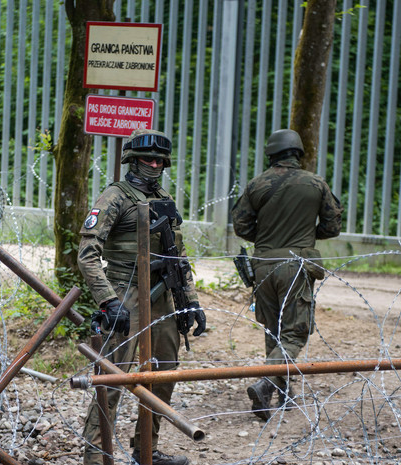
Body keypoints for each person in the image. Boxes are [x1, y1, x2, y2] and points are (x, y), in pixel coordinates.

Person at [77, 128, 206, 465]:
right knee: (113, 377)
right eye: (147, 158)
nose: (154, 163)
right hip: (126, 291)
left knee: (163, 372)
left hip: (163, 294)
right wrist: (108, 299)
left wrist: (190, 300)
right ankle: (95, 453)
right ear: (131, 160)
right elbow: (87, 253)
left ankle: (145, 449)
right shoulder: (115, 196)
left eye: (160, 159)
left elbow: (178, 255)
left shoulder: (164, 197)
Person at [231, 129, 342, 421]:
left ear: (271, 154)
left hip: (263, 265)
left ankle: (282, 392)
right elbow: (332, 226)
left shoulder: (257, 184)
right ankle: (268, 382)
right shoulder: (315, 183)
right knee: (296, 331)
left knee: (274, 328)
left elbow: (241, 226)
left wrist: (268, 236)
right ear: (298, 154)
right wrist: (305, 234)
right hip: (296, 264)